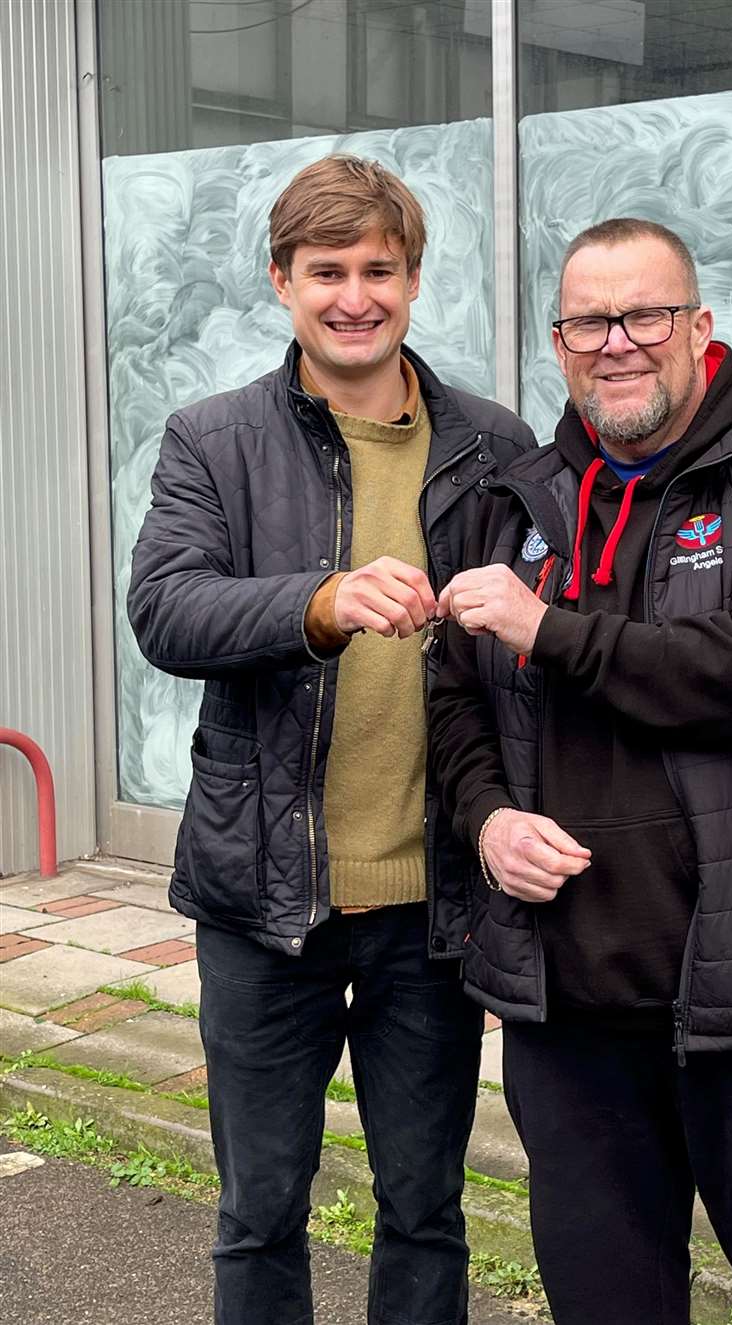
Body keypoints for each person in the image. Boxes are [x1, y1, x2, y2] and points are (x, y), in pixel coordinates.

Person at [428, 217, 732, 1325]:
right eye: (589, 321)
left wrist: (550, 629)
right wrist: (488, 821)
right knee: (604, 1299)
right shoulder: (510, 502)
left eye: (645, 314)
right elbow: (457, 700)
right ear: (559, 344)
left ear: (699, 327)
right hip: (568, 996)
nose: (618, 342)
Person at [128, 154, 535, 1325]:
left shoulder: (492, 443)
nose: (354, 295)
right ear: (282, 281)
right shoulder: (212, 436)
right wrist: (319, 600)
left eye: (379, 270)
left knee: (427, 1205)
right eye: (326, 271)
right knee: (260, 1210)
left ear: (413, 280)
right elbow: (166, 608)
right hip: (263, 903)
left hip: (431, 903)